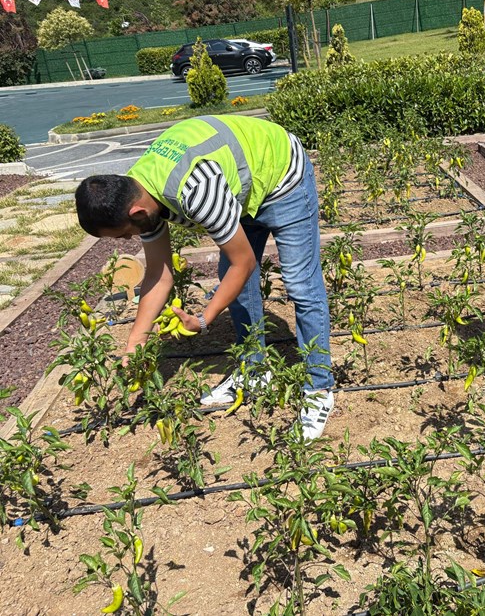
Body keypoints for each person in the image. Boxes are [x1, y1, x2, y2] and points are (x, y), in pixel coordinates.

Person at [74, 115, 335, 439]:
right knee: (233, 281)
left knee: (300, 284)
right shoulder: (139, 190)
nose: (127, 241)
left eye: (124, 234)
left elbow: (246, 263)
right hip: (240, 184)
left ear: (136, 214)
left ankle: (319, 389)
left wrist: (204, 318)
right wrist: (135, 341)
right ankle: (255, 371)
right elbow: (158, 273)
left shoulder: (195, 191)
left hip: (282, 177)